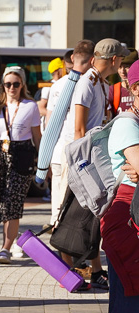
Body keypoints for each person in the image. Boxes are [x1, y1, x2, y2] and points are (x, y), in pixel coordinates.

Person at [61, 38, 128, 289]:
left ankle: (90, 268)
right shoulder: (86, 84)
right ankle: (73, 265)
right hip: (84, 161)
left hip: (92, 158)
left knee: (89, 216)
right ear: (113, 60)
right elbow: (79, 128)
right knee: (79, 215)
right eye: (121, 58)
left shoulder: (100, 83)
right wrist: (85, 167)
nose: (122, 62)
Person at [0, 67, 41, 264]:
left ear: (22, 85)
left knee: (14, 202)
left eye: (16, 84)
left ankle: (5, 247)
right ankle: (12, 239)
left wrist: (45, 164)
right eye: (8, 84)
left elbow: (37, 136)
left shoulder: (30, 106)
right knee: (2, 204)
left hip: (22, 154)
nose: (12, 88)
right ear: (2, 86)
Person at [102, 59, 139, 313]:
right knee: (128, 298)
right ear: (132, 90)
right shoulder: (128, 123)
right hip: (126, 219)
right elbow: (137, 167)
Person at [44, 40, 94, 228]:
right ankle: (67, 246)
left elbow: (50, 124)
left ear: (72, 58)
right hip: (75, 149)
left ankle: (57, 236)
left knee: (58, 201)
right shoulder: (89, 83)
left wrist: (45, 156)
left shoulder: (57, 85)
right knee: (73, 204)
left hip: (58, 150)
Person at [109, 51, 137, 118]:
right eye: (119, 67)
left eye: (127, 67)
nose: (122, 71)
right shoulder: (113, 90)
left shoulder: (137, 89)